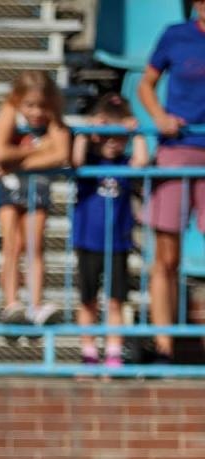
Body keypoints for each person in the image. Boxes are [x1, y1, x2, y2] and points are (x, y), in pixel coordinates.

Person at [137, 0, 205, 363]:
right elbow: (146, 86)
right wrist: (161, 117)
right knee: (166, 255)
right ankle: (164, 345)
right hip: (177, 151)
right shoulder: (175, 36)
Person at [72, 94, 149, 368]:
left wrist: (136, 132)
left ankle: (113, 352)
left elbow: (141, 161)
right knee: (88, 300)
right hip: (88, 242)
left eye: (119, 137)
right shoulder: (90, 161)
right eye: (107, 135)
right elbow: (76, 160)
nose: (113, 143)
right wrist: (88, 131)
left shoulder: (125, 163)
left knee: (116, 300)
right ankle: (89, 351)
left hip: (117, 243)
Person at [0, 71, 70, 328]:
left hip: (38, 186)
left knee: (34, 245)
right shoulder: (8, 112)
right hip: (9, 186)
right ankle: (12, 303)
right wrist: (39, 149)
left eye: (42, 106)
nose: (36, 112)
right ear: (17, 99)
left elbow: (61, 155)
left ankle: (35, 305)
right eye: (30, 105)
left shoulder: (54, 118)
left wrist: (19, 161)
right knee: (11, 244)